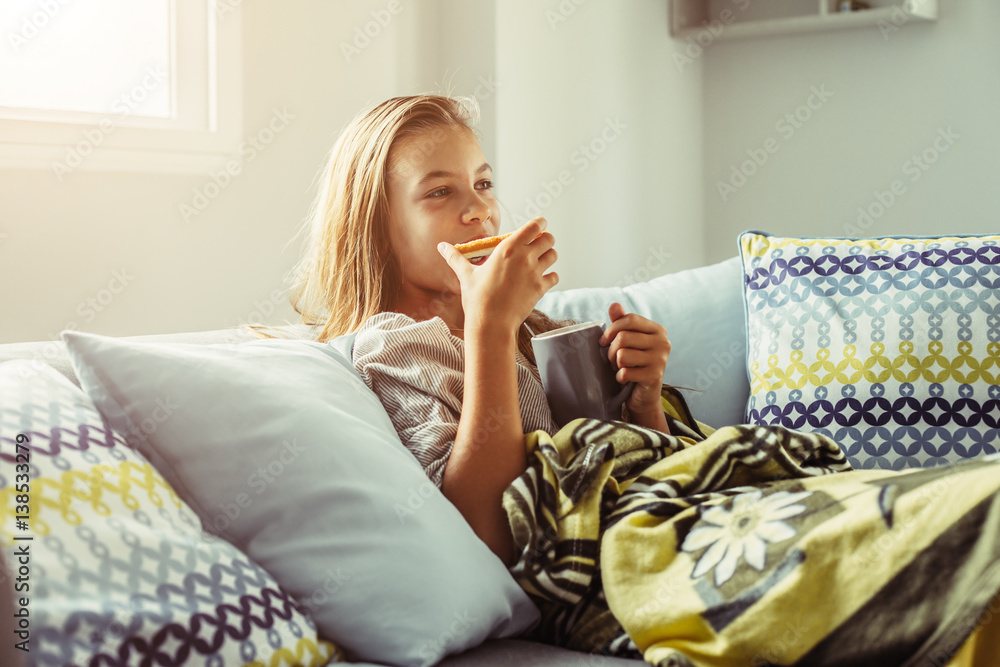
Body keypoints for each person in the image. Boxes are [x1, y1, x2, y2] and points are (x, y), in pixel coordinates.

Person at [250, 94, 672, 567]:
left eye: (484, 183)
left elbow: (649, 475)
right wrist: (490, 329)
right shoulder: (397, 344)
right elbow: (486, 534)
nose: (479, 211)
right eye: (439, 192)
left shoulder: (541, 333)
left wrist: (645, 401)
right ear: (376, 229)